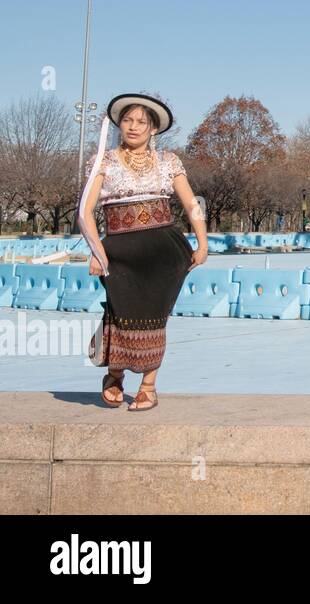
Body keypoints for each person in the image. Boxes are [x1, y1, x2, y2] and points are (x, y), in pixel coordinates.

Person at [77, 94, 208, 411]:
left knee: (155, 318)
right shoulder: (102, 162)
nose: (133, 126)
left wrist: (203, 243)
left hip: (165, 251)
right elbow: (85, 212)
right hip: (119, 251)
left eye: (141, 122)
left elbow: (192, 204)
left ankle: (149, 385)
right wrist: (97, 251)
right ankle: (114, 375)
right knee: (120, 313)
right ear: (119, 124)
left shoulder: (169, 161)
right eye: (128, 120)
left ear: (153, 129)